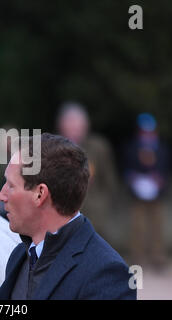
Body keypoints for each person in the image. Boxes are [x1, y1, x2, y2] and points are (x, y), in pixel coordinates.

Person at [0, 133, 136, 300]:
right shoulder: (19, 256)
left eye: (11, 185)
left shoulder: (105, 273)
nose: (1, 196)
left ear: (40, 194)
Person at [56, 101, 118, 240]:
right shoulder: (53, 149)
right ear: (61, 125)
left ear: (86, 126)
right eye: (70, 124)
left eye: (77, 124)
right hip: (63, 215)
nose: (74, 129)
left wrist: (104, 204)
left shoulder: (98, 147)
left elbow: (109, 179)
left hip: (94, 214)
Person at [123, 113, 170, 270]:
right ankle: (137, 258)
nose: (147, 134)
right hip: (138, 193)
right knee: (138, 227)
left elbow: (167, 169)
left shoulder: (162, 148)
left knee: (157, 226)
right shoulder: (132, 147)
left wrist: (161, 179)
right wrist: (133, 179)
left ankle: (158, 257)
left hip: (157, 193)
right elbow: (127, 169)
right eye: (144, 131)